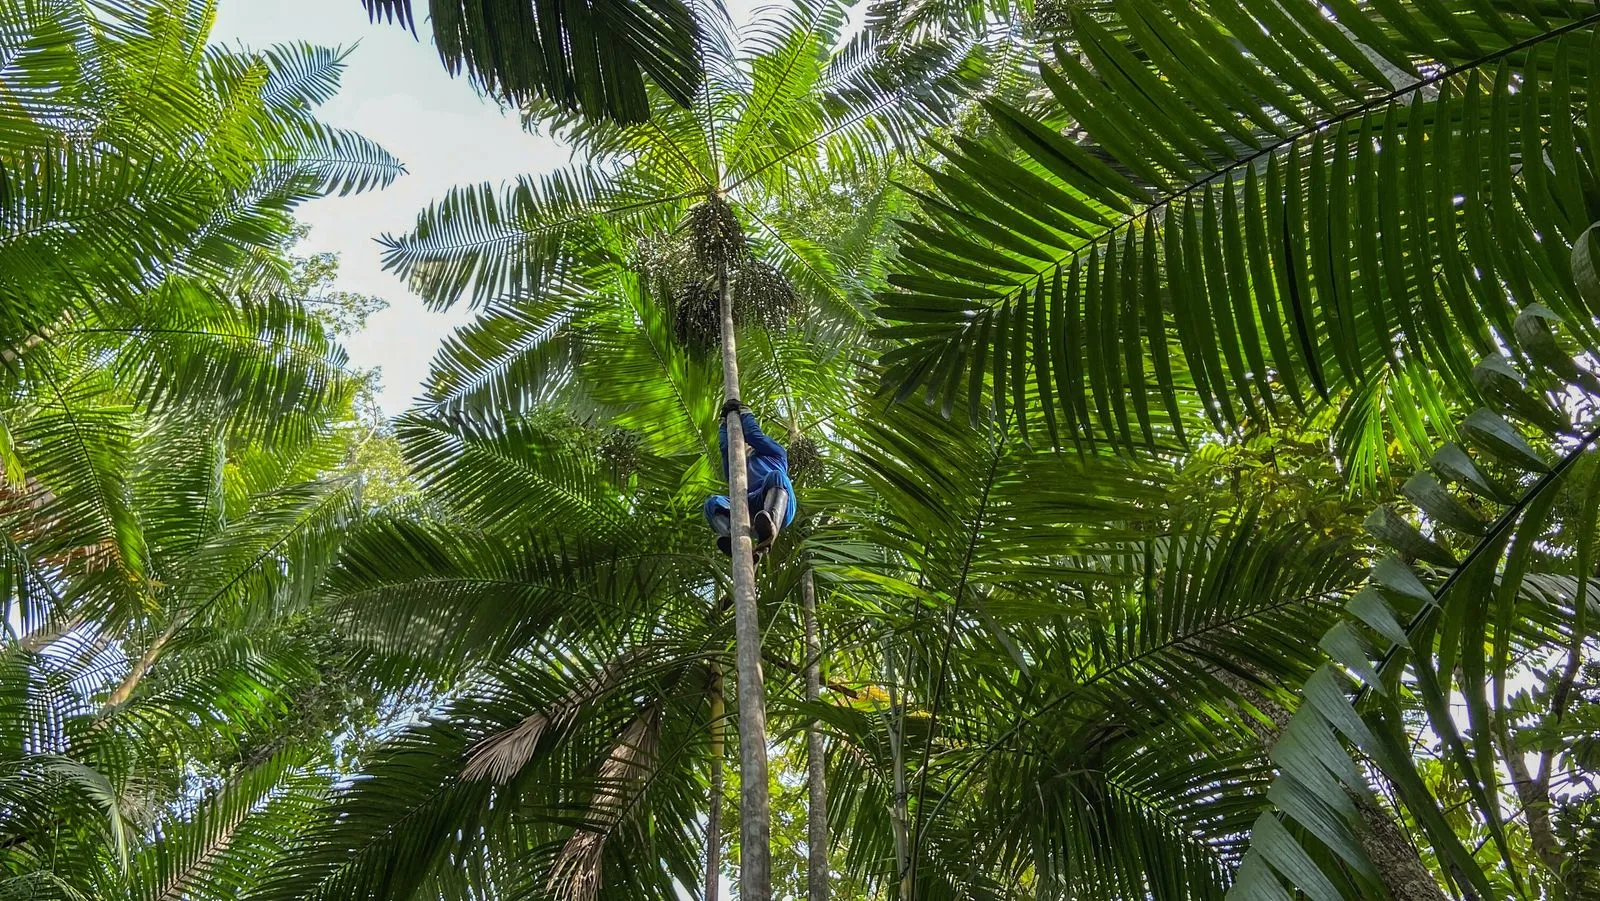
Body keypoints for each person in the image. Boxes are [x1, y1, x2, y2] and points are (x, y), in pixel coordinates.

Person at [703, 399, 796, 558]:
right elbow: (726, 448)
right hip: (751, 506)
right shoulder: (737, 469)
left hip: (779, 501)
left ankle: (770, 527)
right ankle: (731, 537)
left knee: (775, 476)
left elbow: (754, 436)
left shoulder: (776, 453)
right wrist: (724, 423)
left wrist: (744, 411)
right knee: (712, 503)